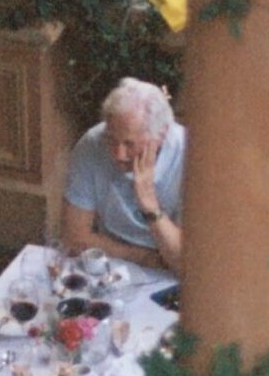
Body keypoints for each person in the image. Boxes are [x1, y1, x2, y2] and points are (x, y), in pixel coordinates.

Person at [61, 78, 184, 273]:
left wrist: (149, 203)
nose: (118, 154)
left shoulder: (189, 157)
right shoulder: (91, 144)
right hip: (112, 263)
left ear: (160, 135)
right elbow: (74, 238)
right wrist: (143, 257)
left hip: (170, 273)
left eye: (130, 144)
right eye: (111, 139)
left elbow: (184, 262)